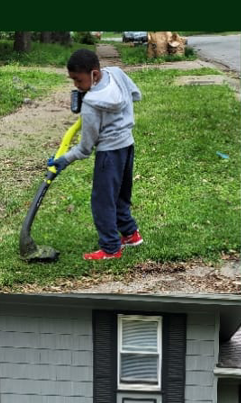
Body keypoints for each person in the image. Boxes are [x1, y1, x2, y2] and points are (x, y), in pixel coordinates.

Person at [48, 48, 142, 261]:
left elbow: (85, 147)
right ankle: (130, 234)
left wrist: (64, 159)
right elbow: (135, 94)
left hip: (108, 153)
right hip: (127, 145)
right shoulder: (116, 73)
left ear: (94, 75)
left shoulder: (90, 104)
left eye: (78, 80)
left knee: (102, 201)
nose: (76, 86)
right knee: (120, 195)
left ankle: (110, 248)